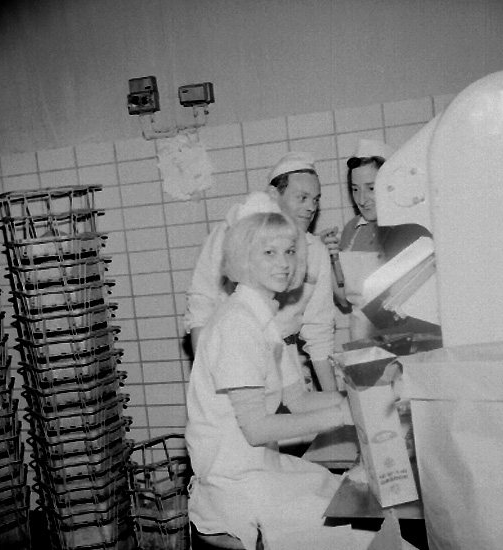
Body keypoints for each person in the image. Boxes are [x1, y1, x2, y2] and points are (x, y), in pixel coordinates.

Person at [185, 212, 375, 550]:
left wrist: (364, 399)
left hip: (262, 468)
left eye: (289, 251)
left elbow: (298, 400)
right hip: (234, 485)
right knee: (362, 533)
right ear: (243, 257)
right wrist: (344, 415)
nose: (284, 263)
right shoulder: (236, 325)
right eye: (269, 252)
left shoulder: (264, 317)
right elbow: (256, 429)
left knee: (347, 495)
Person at [186, 152, 337, 391]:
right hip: (233, 361)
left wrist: (335, 396)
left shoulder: (316, 251)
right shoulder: (230, 235)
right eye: (302, 197)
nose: (311, 207)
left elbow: (319, 330)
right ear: (274, 194)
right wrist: (207, 379)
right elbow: (201, 307)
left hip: (287, 360)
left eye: (315, 199)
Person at [321, 139, 432, 340]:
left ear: (390, 184)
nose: (361, 199)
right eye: (355, 189)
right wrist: (329, 259)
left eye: (371, 188)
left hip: (408, 337)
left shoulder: (411, 229)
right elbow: (344, 300)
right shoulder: (352, 230)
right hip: (362, 338)